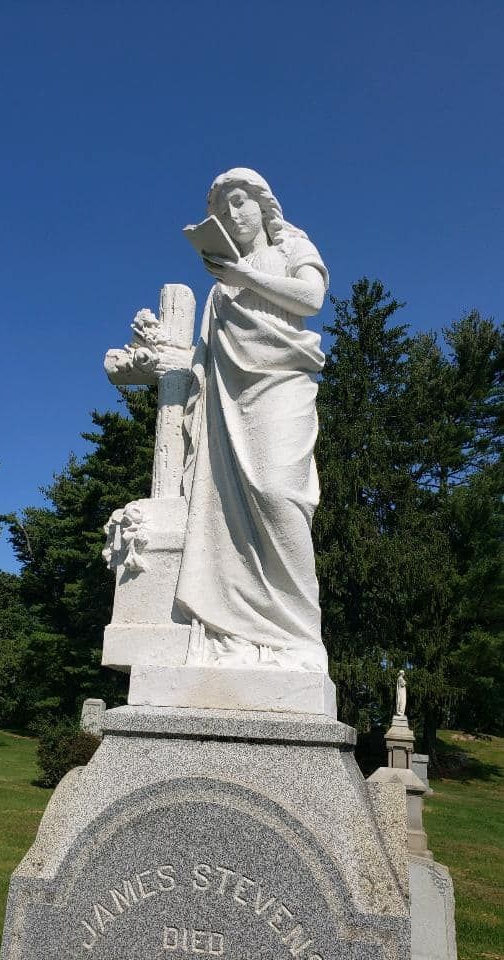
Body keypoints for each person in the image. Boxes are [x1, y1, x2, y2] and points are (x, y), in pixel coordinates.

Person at [173, 168, 330, 671]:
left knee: (281, 494)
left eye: (239, 202)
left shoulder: (292, 246)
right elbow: (207, 352)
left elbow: (311, 298)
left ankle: (300, 630)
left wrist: (245, 277)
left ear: (264, 205)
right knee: (227, 504)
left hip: (282, 385)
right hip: (231, 396)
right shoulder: (220, 288)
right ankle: (237, 626)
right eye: (222, 211)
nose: (232, 214)